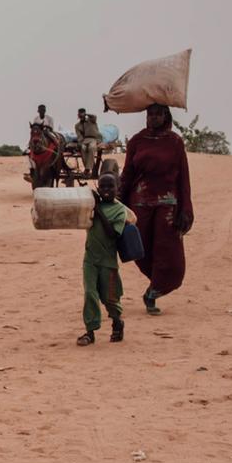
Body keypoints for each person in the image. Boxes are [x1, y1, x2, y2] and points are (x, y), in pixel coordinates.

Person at [118, 102, 193, 315]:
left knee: (169, 252)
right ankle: (156, 281)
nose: (154, 118)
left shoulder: (175, 142)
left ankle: (154, 291)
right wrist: (118, 205)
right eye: (150, 114)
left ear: (166, 116)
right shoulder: (137, 141)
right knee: (139, 249)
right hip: (139, 203)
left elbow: (183, 178)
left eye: (158, 114)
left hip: (168, 204)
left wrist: (186, 209)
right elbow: (127, 175)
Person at [78, 171, 130, 346]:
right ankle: (90, 331)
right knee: (90, 293)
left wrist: (98, 210)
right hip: (90, 259)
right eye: (102, 186)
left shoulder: (119, 210)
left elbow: (112, 234)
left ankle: (117, 321)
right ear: (97, 188)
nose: (106, 190)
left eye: (110, 186)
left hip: (108, 262)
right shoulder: (91, 206)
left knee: (110, 299)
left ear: (118, 188)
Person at [73, 107, 102, 176]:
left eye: (82, 114)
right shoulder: (77, 125)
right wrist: (80, 142)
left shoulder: (91, 120)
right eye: (79, 114)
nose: (81, 116)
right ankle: (88, 168)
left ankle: (87, 169)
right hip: (85, 140)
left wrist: (86, 114)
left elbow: (94, 116)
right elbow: (79, 135)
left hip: (94, 139)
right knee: (82, 148)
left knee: (91, 148)